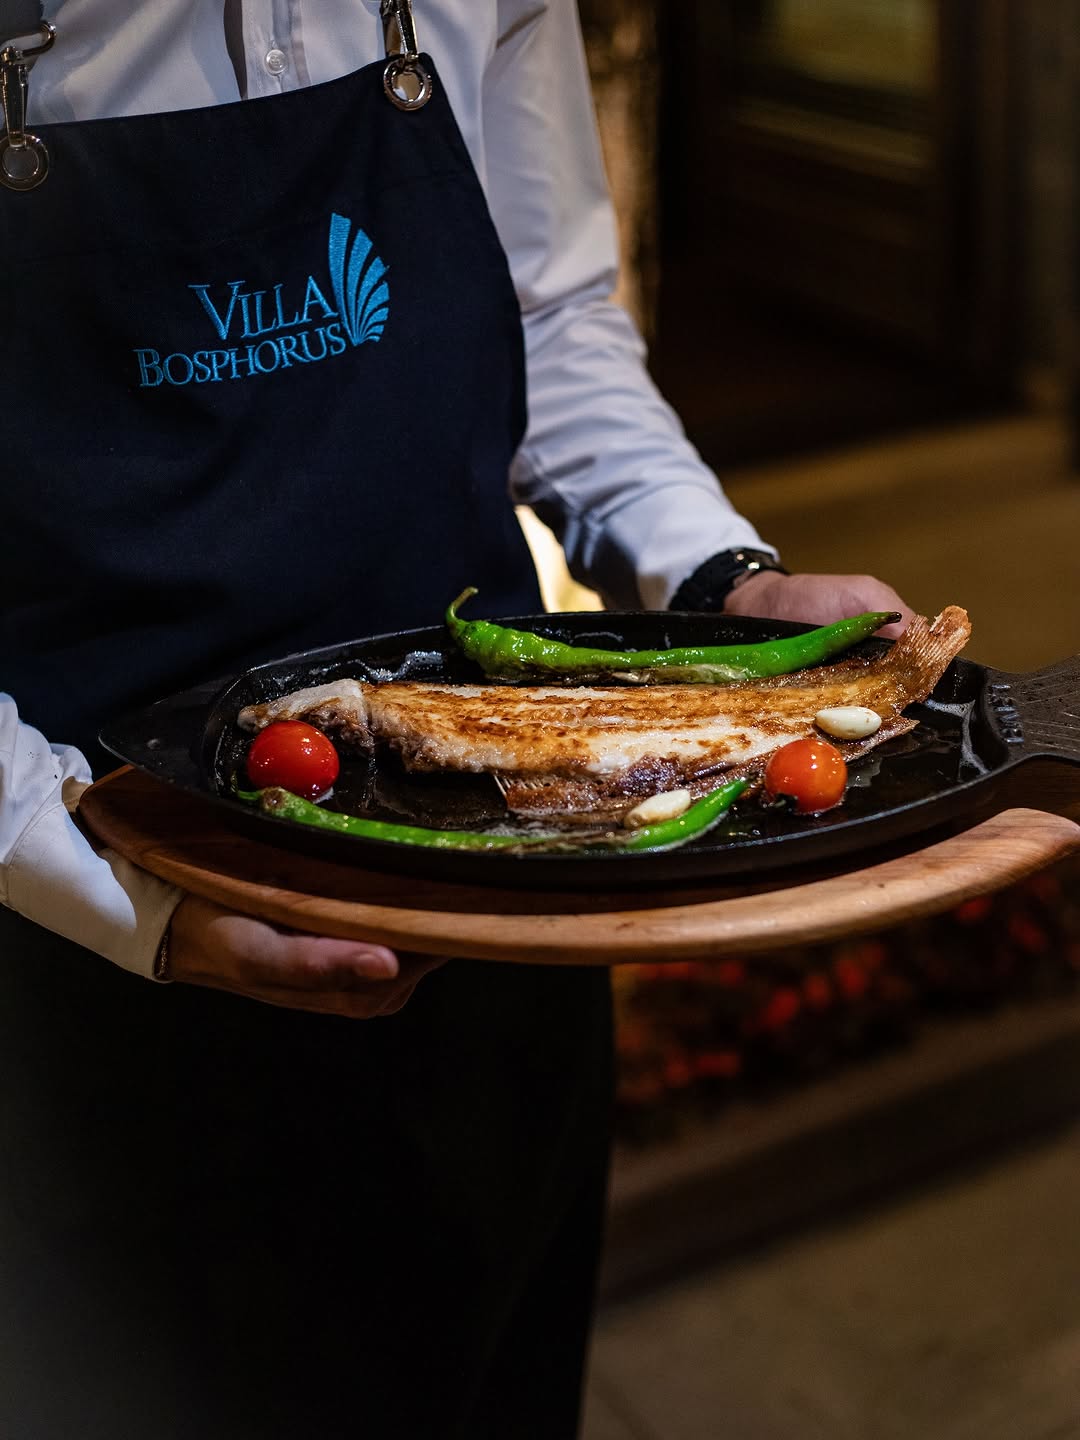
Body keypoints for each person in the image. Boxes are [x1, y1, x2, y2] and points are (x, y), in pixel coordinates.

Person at [0, 2, 911, 1437]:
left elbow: (551, 316)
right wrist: (113, 895)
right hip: (85, 942)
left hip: (497, 888)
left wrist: (720, 577)